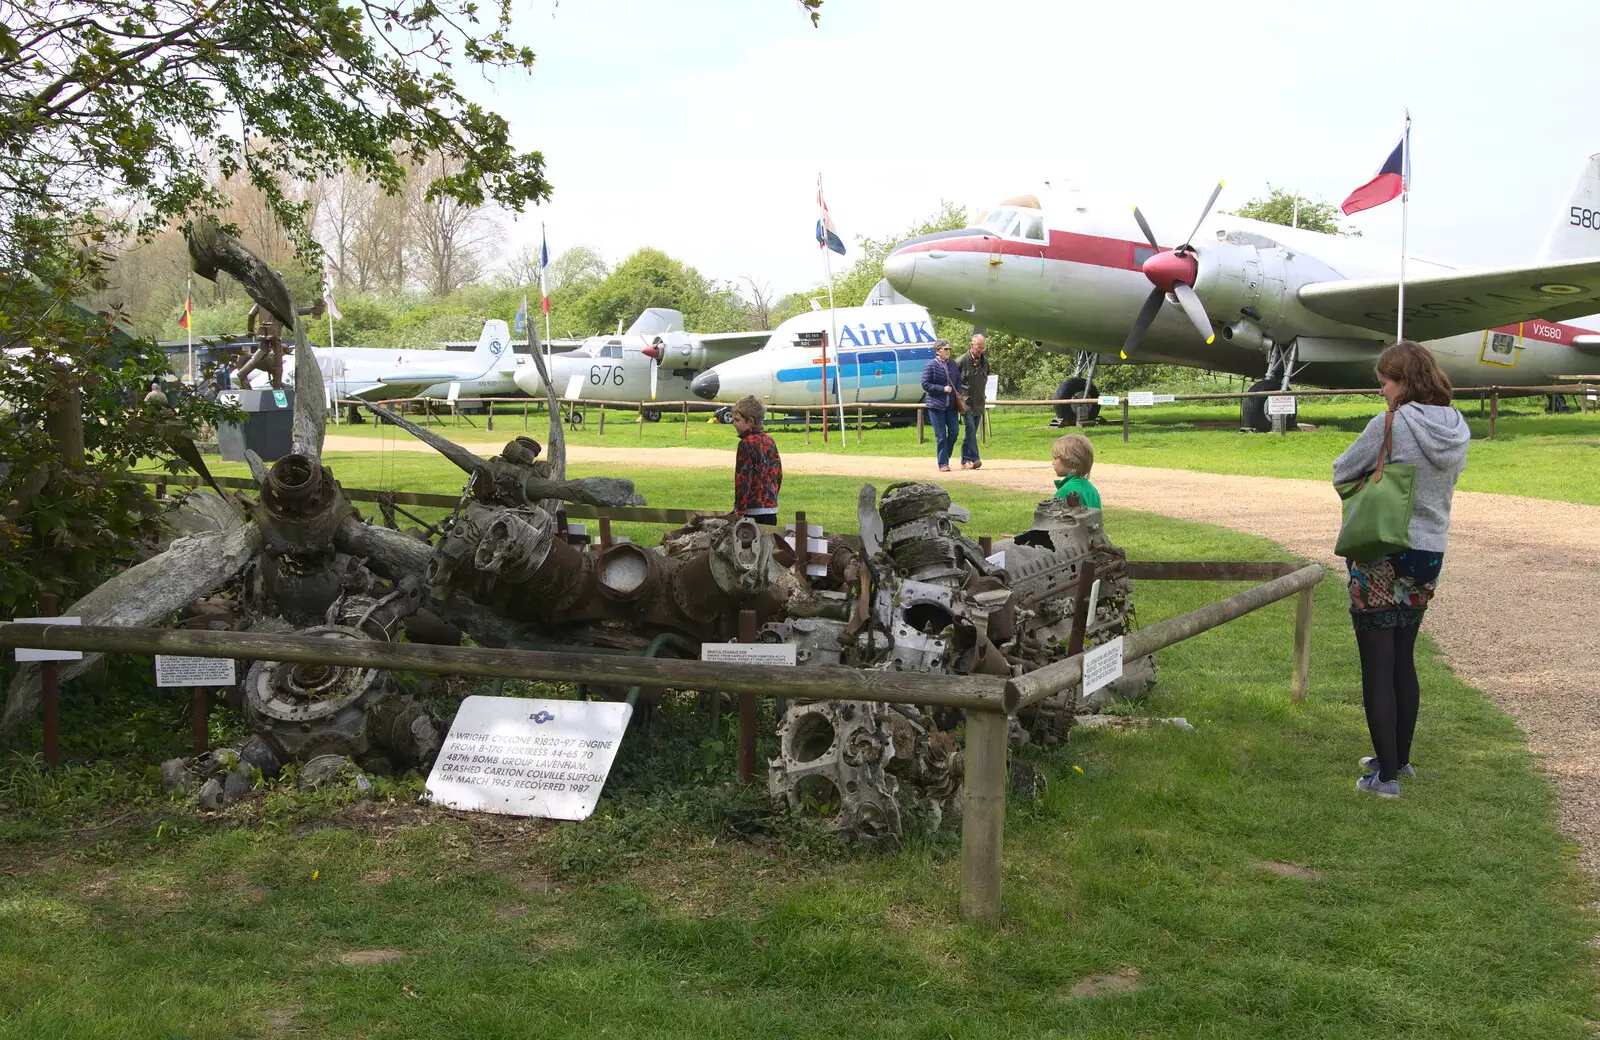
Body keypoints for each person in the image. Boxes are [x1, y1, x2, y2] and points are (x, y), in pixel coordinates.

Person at [1332, 341, 1469, 799]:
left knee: (1377, 663)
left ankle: (1385, 779)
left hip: (1383, 548)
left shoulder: (1390, 423)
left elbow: (1341, 471)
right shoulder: (1458, 426)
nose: (1382, 391)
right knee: (1404, 657)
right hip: (1429, 552)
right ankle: (1399, 759)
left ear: (1404, 382)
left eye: (1385, 382)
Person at [732, 395, 781, 525]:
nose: (734, 424)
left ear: (751, 421)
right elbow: (778, 474)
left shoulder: (745, 444)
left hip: (751, 511)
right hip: (771, 508)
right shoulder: (770, 441)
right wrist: (773, 497)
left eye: (737, 420)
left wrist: (739, 509)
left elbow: (743, 479)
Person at [920, 339, 964, 472]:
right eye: (946, 349)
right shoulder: (930, 366)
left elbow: (958, 381)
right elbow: (925, 384)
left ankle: (945, 455)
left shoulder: (953, 364)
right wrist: (942, 389)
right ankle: (943, 463)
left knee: (954, 432)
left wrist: (959, 392)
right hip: (936, 406)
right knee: (940, 436)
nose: (948, 351)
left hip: (951, 406)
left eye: (949, 349)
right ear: (938, 351)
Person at [957, 331, 990, 470]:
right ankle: (975, 458)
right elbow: (953, 380)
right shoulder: (961, 361)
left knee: (970, 432)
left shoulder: (985, 362)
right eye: (978, 347)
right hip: (965, 403)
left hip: (979, 403)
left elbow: (985, 378)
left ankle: (965, 460)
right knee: (970, 428)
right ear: (971, 345)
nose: (980, 350)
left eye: (982, 347)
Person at [1051, 433, 1101, 508]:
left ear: (1069, 461)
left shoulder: (1066, 491)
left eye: (1055, 458)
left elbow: (1054, 518)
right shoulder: (1091, 489)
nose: (1053, 463)